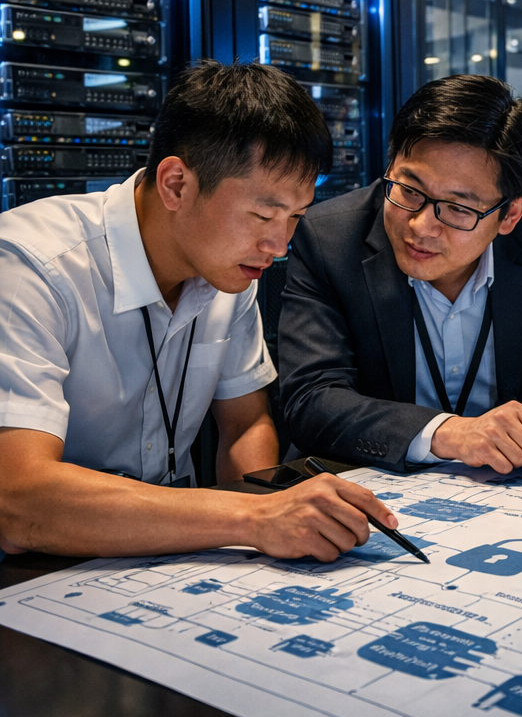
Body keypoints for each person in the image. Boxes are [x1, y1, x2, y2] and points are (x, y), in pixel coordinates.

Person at [0, 61, 398, 561]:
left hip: (169, 552)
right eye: (263, 214)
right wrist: (254, 518)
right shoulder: (31, 265)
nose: (279, 246)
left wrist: (270, 537)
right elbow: (17, 500)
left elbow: (245, 425)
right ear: (176, 184)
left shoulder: (228, 271)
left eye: (295, 216)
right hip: (36, 566)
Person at [278, 74, 522, 474]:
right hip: (367, 480)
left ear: (511, 214)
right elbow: (312, 398)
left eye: (458, 208)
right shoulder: (330, 238)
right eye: (409, 190)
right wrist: (451, 433)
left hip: (514, 487)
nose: (421, 226)